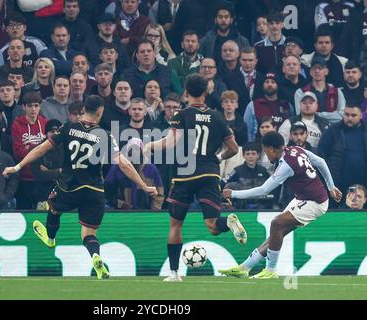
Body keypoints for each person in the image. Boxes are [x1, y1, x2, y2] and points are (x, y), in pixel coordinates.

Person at [2, 95, 158, 280]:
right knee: (88, 233)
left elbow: (41, 149)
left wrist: (17, 166)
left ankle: (50, 238)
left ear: (84, 109)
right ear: (100, 112)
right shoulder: (105, 134)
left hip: (69, 187)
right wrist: (143, 185)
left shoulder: (68, 128)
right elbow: (123, 163)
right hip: (95, 191)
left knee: (53, 206)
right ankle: (96, 257)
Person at [143, 74, 245, 282]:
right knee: (213, 225)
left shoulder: (182, 115)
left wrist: (149, 145)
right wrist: (217, 157)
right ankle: (229, 221)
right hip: (209, 174)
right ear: (206, 92)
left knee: (175, 225)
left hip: (185, 175)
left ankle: (173, 273)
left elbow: (171, 142)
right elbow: (233, 148)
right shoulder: (217, 116)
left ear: (186, 93)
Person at [220, 131, 342, 279]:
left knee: (277, 223)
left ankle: (270, 270)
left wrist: (233, 194)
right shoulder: (296, 149)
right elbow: (320, 162)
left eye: (266, 151)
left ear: (271, 149)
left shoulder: (286, 166)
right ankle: (245, 267)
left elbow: (263, 190)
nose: (267, 155)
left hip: (314, 202)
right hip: (303, 199)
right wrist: (331, 187)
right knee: (277, 231)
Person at [318, 103, 367, 206]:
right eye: (346, 114)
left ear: (361, 115)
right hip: (339, 183)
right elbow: (321, 156)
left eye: (353, 115)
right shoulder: (333, 131)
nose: (349, 118)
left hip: (364, 182)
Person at [11, 91, 48, 209]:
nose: (33, 109)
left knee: (43, 211)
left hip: (42, 178)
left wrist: (29, 146)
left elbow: (49, 150)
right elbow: (18, 152)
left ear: (40, 107)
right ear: (23, 107)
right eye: (30, 106)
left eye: (36, 105)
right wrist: (39, 148)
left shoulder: (45, 123)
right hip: (24, 178)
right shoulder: (17, 125)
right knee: (24, 210)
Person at [294, 56, 345, 124]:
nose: (317, 71)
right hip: (310, 129)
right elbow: (301, 116)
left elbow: (342, 116)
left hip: (333, 129)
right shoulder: (300, 92)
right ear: (310, 72)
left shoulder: (337, 92)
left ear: (326, 71)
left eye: (320, 68)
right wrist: (332, 115)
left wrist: (316, 115)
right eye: (314, 68)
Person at [244, 72, 293, 142]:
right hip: (259, 146)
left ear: (277, 85)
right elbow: (248, 131)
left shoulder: (287, 105)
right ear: (263, 85)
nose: (270, 84)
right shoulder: (253, 105)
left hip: (283, 146)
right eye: (267, 82)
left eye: (273, 82)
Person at [222, 142, 272, 210]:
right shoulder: (236, 170)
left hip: (262, 207)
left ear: (258, 155)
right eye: (247, 154)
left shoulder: (264, 171)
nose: (250, 156)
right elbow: (223, 182)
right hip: (240, 207)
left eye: (253, 154)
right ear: (243, 156)